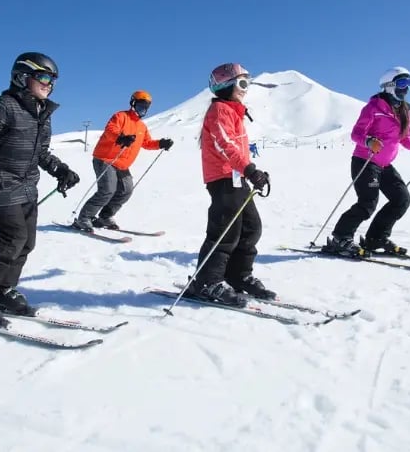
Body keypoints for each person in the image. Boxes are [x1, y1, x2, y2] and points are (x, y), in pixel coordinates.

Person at [0, 52, 81, 325]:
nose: (49, 84)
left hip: (28, 187)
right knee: (11, 238)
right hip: (2, 185)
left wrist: (61, 169)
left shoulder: (40, 114)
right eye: (44, 77)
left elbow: (41, 153)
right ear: (22, 76)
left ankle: (0, 290)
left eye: (53, 80)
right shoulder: (4, 106)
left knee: (26, 243)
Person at [322, 67, 410, 258]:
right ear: (389, 85)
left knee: (401, 199)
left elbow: (406, 139)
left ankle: (376, 238)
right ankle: (340, 238)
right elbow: (356, 134)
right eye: (402, 84)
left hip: (385, 166)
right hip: (365, 161)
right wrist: (369, 141)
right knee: (368, 202)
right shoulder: (374, 108)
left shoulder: (405, 112)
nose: (406, 89)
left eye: (408, 84)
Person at [187, 63, 275, 307]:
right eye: (242, 83)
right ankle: (206, 282)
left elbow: (237, 148)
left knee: (250, 228)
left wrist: (250, 171)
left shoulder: (233, 111)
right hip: (222, 178)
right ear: (226, 85)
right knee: (225, 232)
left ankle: (238, 274)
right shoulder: (219, 111)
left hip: (236, 177)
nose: (246, 89)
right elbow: (223, 144)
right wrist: (249, 169)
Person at [72, 91, 173, 231]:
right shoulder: (120, 116)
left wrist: (160, 144)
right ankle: (84, 218)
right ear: (133, 103)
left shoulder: (141, 127)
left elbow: (147, 142)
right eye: (140, 105)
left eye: (146, 107)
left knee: (126, 190)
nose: (143, 109)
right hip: (106, 159)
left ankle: (105, 216)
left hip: (122, 164)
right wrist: (121, 137)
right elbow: (110, 130)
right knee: (107, 190)